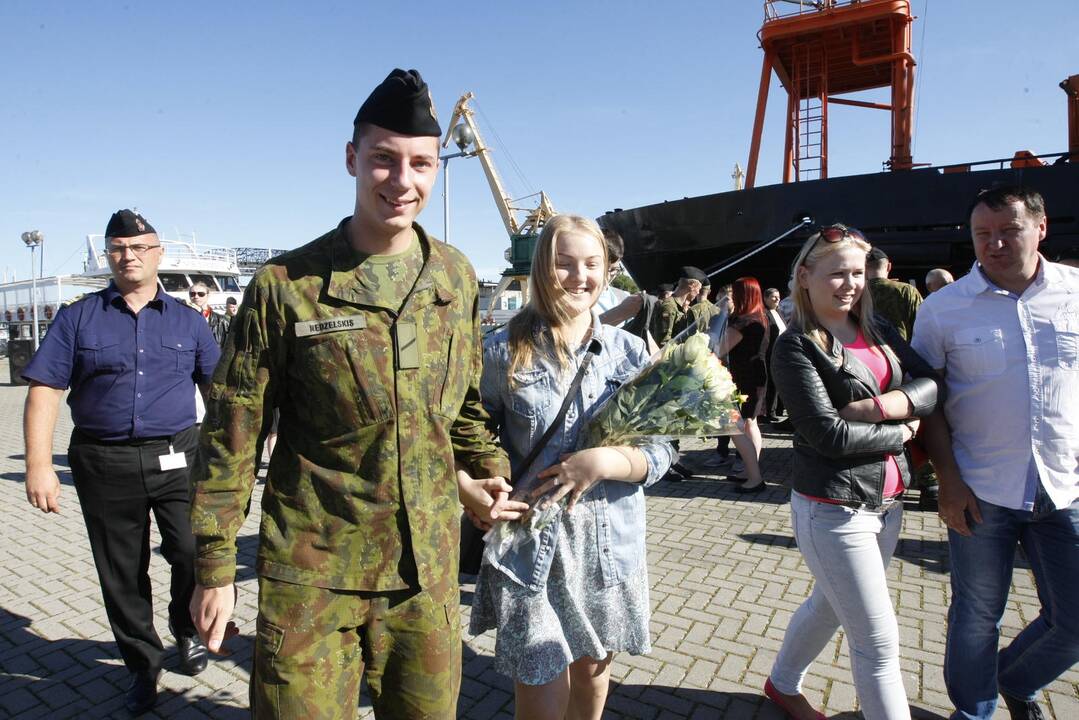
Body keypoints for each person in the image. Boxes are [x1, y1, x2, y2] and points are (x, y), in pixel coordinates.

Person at [188, 69, 511, 719]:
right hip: (314, 573)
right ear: (351, 159)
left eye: (421, 163)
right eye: (383, 160)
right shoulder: (287, 287)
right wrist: (215, 566)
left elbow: (464, 404)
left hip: (426, 574)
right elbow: (232, 435)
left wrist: (488, 473)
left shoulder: (454, 276)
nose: (403, 180)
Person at [470, 214, 675, 720]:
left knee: (591, 675)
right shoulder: (502, 352)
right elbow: (465, 435)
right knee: (538, 683)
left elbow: (664, 449)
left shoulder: (630, 354)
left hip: (607, 547)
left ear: (607, 270)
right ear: (543, 268)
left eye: (591, 264)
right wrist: (469, 486)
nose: (579, 277)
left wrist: (605, 461)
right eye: (565, 264)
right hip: (531, 547)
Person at [22, 209, 220, 714]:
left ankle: (185, 627)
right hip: (103, 461)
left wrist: (230, 466)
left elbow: (219, 393)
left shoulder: (187, 322)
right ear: (109, 255)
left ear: (158, 255)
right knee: (122, 572)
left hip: (178, 456)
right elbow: (45, 388)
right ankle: (143, 664)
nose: (128, 256)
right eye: (118, 249)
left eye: (139, 248)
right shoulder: (78, 317)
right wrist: (39, 465)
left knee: (189, 551)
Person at [912, 186, 1079, 720]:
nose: (995, 244)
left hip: (1065, 485)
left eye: (1008, 230)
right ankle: (974, 709)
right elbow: (930, 404)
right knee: (977, 615)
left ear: (1041, 227)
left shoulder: (1077, 293)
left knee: (1074, 621)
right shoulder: (944, 309)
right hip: (982, 490)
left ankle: (1015, 677)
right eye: (983, 234)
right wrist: (948, 481)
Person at [764, 224, 941, 720]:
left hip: (887, 503)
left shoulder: (877, 328)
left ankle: (781, 685)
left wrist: (888, 405)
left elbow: (933, 383)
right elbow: (828, 436)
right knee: (878, 643)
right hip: (833, 509)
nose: (850, 284)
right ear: (805, 275)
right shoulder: (796, 345)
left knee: (827, 603)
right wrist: (903, 433)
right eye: (837, 273)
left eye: (857, 273)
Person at [715, 277, 771, 492]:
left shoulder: (744, 322)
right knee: (751, 424)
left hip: (744, 379)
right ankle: (751, 470)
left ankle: (754, 476)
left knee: (740, 426)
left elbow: (718, 348)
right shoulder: (762, 317)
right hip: (756, 377)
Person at [866, 247, 922, 340]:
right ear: (889, 266)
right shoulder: (906, 290)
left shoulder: (856, 293)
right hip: (901, 349)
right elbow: (921, 323)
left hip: (867, 350)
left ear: (864, 268)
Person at [648, 269, 701, 346]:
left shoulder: (679, 307)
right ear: (692, 286)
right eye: (698, 289)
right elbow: (663, 344)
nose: (698, 292)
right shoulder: (669, 307)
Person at [762, 287, 787, 422]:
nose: (777, 299)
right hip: (769, 353)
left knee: (778, 382)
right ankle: (768, 412)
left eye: (778, 296)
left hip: (781, 353)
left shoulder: (778, 312)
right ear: (765, 298)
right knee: (770, 383)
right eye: (773, 297)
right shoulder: (764, 313)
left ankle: (778, 409)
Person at [188, 281, 230, 346]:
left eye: (201, 294)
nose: (196, 296)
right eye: (192, 294)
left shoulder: (222, 321)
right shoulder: (182, 319)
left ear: (208, 295)